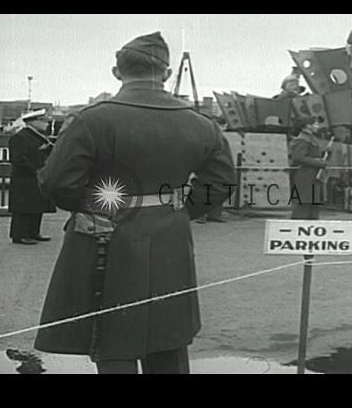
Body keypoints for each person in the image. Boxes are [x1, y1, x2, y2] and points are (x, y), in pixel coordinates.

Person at [33, 32, 236, 374]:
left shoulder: (91, 119)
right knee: (169, 332)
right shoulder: (202, 124)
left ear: (117, 72)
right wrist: (179, 210)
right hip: (171, 233)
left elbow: (57, 182)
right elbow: (221, 182)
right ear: (168, 75)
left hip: (107, 233)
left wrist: (90, 208)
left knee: (113, 334)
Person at [8, 111, 56, 244]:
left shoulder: (36, 136)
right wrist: (36, 170)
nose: (46, 124)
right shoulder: (21, 137)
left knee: (36, 206)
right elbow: (17, 159)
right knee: (23, 208)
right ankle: (19, 235)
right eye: (44, 121)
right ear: (33, 122)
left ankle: (33, 232)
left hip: (35, 177)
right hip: (24, 178)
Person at [289, 115, 329, 220]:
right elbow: (298, 157)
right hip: (305, 176)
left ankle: (311, 233)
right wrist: (319, 163)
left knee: (313, 205)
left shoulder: (311, 138)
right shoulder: (302, 139)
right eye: (315, 123)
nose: (318, 126)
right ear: (307, 126)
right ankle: (296, 232)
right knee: (303, 205)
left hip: (313, 176)